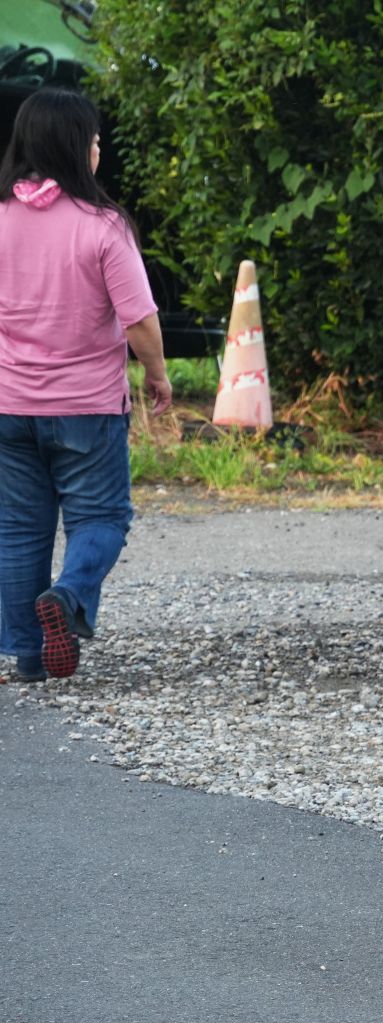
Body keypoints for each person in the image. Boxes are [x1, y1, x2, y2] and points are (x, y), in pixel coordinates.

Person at [0, 87, 170, 684]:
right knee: (102, 519)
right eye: (95, 140)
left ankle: (27, 658)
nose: (99, 150)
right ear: (78, 149)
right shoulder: (103, 226)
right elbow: (139, 319)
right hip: (87, 409)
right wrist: (157, 376)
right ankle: (68, 597)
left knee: (19, 531)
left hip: (8, 407)